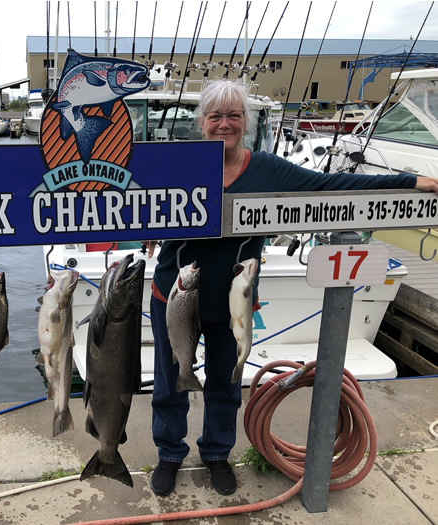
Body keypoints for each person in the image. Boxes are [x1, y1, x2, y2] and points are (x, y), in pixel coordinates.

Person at [147, 79, 438, 498]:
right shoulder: (178, 163)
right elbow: (124, 200)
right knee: (171, 376)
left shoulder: (266, 168)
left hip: (234, 301)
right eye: (215, 116)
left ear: (245, 122)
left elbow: (329, 187)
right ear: (202, 122)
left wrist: (409, 183)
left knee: (226, 381)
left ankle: (216, 453)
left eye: (233, 115)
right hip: (175, 296)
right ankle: (169, 454)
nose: (224, 123)